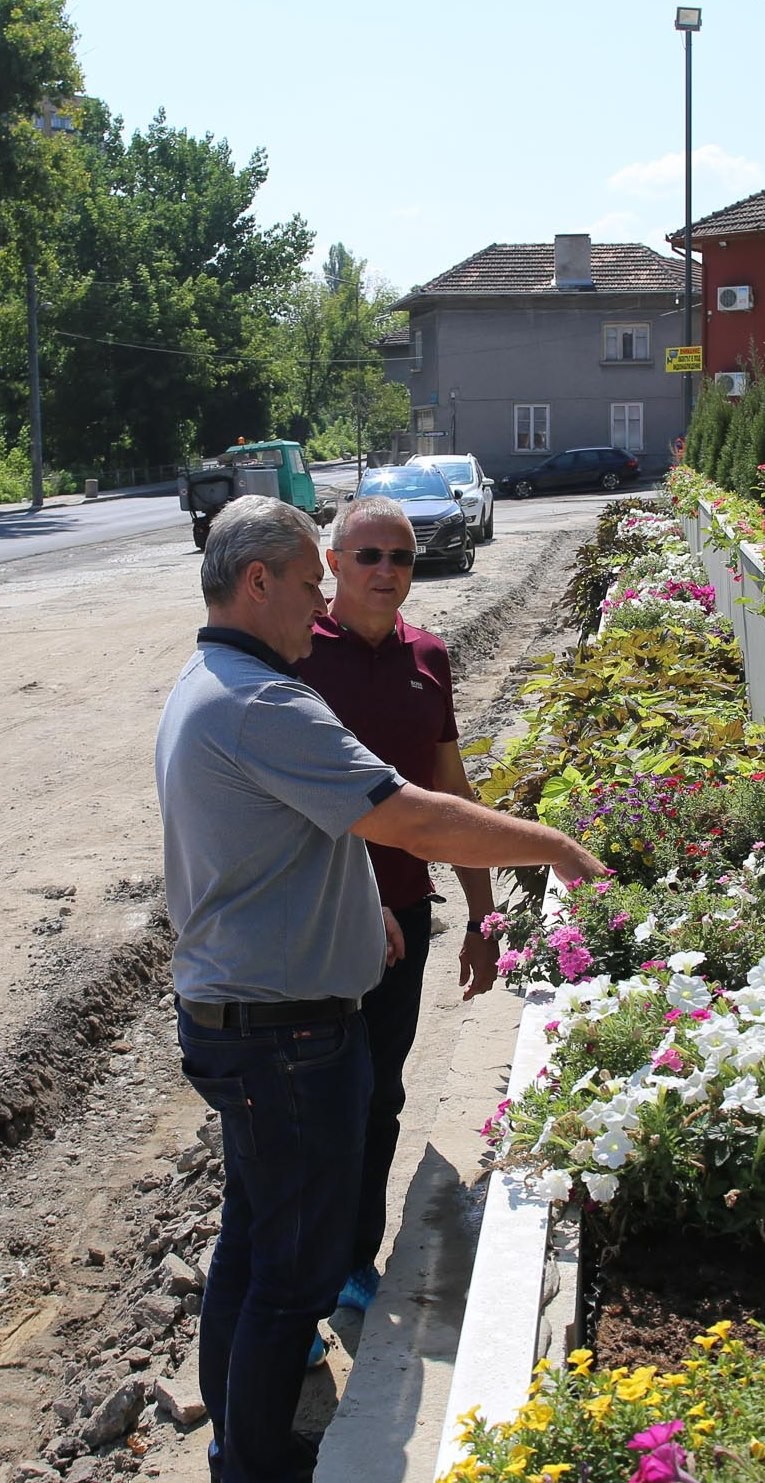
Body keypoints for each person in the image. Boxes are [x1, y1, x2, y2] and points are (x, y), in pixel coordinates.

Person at [154, 496, 603, 1483]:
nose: (322, 598)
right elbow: (410, 819)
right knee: (291, 1276)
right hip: (286, 1039)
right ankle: (260, 1463)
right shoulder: (260, 702)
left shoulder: (214, 679)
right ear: (258, 581)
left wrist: (367, 912)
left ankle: (244, 1441)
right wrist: (557, 848)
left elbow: (303, 835)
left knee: (251, 1243)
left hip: (246, 1018)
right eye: (312, 580)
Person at [294, 495, 494, 1330]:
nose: (385, 571)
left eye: (400, 558)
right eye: (368, 555)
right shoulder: (296, 654)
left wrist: (483, 914)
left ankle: (349, 1264)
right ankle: (289, 1288)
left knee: (379, 1098)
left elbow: (449, 791)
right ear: (333, 564)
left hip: (405, 921)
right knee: (310, 1111)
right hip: (310, 927)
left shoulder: (428, 657)